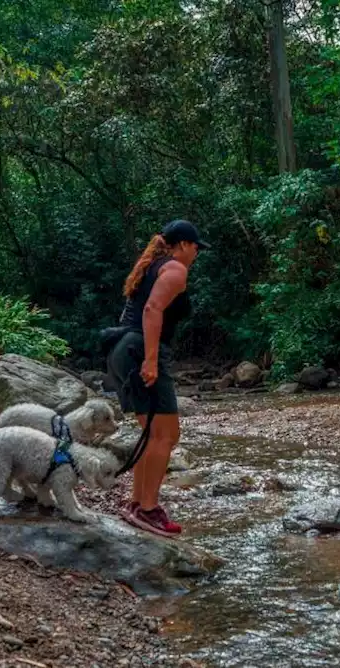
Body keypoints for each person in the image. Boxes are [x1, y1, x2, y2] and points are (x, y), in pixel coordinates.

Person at [108, 219, 208, 536]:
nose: (196, 253)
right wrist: (150, 360)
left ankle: (137, 503)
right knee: (167, 435)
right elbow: (152, 310)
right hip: (140, 350)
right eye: (195, 247)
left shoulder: (153, 266)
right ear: (182, 245)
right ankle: (148, 510)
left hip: (122, 347)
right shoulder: (176, 269)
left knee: (153, 434)